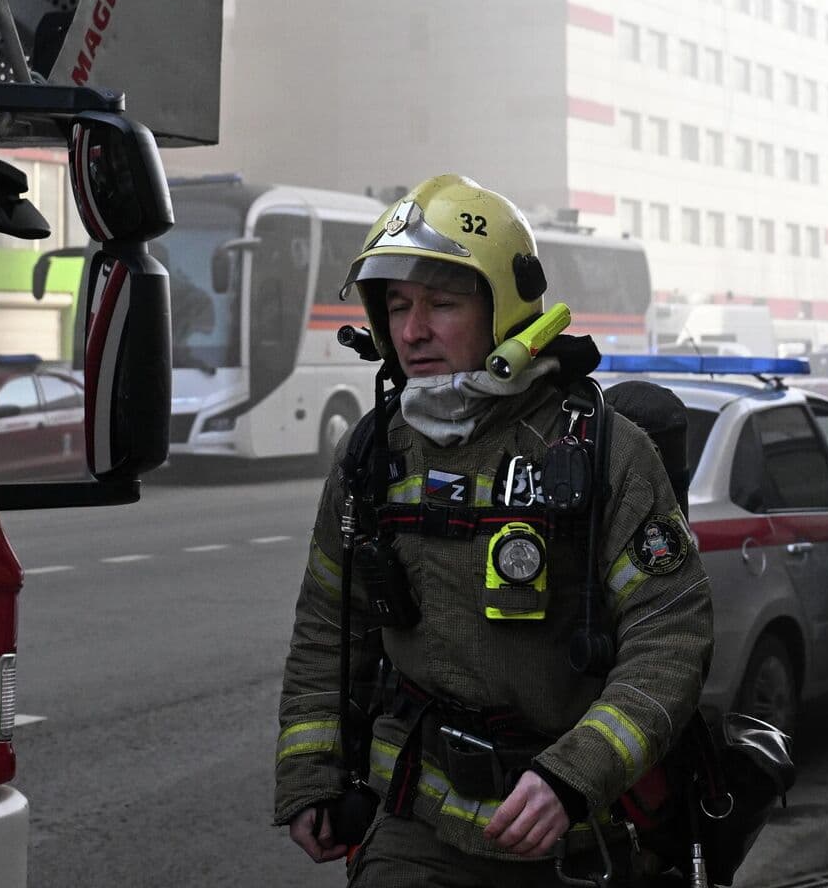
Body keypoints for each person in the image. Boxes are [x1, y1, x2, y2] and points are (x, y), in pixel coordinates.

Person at [272, 174, 713, 885]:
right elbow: (330, 628)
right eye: (398, 306)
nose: (413, 331)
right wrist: (311, 778)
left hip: (574, 833)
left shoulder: (604, 451)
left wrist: (575, 776)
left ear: (504, 311)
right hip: (416, 825)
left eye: (442, 305)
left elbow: (672, 637)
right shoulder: (373, 454)